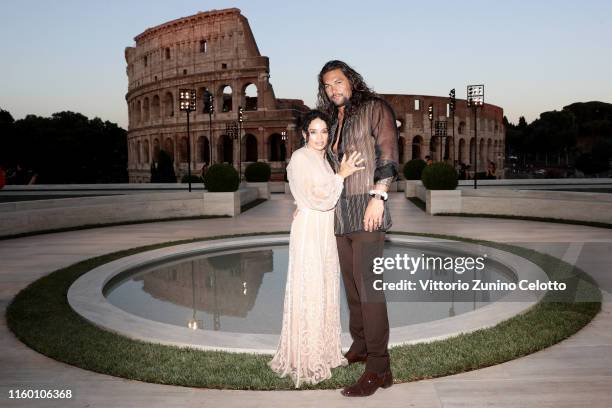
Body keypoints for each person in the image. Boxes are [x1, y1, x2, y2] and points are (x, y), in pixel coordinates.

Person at [317, 60, 399, 397]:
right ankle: (361, 346)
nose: (333, 89)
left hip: (367, 210)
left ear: (351, 80)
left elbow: (388, 153)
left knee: (370, 290)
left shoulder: (374, 108)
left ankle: (378, 366)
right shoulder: (334, 120)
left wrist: (379, 197)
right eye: (327, 86)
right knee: (352, 288)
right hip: (340, 215)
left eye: (338, 82)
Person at [268, 110, 365, 387]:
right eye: (314, 132)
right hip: (310, 228)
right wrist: (341, 176)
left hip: (324, 228)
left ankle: (323, 350)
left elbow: (325, 196)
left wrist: (343, 174)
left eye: (324, 131)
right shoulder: (300, 158)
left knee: (324, 287)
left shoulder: (323, 159)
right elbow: (318, 197)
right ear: (304, 134)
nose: (320, 137)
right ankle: (306, 357)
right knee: (310, 287)